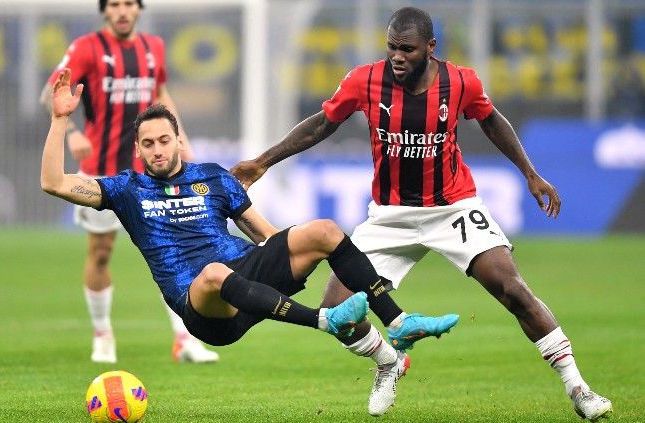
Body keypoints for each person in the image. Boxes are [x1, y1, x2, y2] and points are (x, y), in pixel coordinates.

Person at [230, 7, 612, 421]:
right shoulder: (365, 80)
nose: (397, 56)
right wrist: (263, 161)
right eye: (391, 47)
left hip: (453, 207)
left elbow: (491, 120)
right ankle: (389, 362)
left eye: (407, 50)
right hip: (389, 215)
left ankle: (578, 388)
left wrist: (530, 173)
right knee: (340, 311)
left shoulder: (461, 81)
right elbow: (322, 124)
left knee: (513, 288)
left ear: (430, 48)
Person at [41, 68, 458, 412]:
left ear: (178, 141)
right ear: (138, 149)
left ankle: (397, 329)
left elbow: (268, 235)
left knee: (325, 231)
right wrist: (61, 120)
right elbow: (54, 183)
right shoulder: (126, 190)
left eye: (164, 140)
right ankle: (323, 320)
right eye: (147, 144)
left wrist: (299, 254)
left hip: (249, 279)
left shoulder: (214, 178)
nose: (157, 150)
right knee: (212, 273)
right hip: (206, 308)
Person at [40, 0, 218, 364]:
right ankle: (103, 333)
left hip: (149, 173)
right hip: (102, 173)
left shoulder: (153, 47)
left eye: (129, 4)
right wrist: (71, 131)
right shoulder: (87, 48)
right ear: (105, 10)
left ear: (139, 9)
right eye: (115, 5)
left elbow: (161, 94)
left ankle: (185, 339)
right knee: (101, 253)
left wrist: (180, 138)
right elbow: (51, 93)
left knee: (175, 251)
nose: (122, 11)